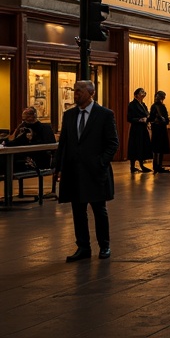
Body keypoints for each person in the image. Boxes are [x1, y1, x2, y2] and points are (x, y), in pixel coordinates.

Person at [56, 79, 118, 261]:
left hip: (96, 171)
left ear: (91, 93)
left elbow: (113, 143)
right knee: (78, 210)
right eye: (75, 91)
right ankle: (83, 247)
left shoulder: (105, 114)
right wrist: (59, 167)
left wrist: (101, 162)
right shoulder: (69, 115)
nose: (75, 94)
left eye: (79, 91)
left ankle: (104, 246)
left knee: (99, 209)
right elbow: (64, 143)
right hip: (74, 172)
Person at [4, 105, 56, 170]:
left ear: (32, 117)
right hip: (25, 155)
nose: (23, 122)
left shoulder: (45, 128)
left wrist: (32, 139)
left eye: (25, 119)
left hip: (39, 158)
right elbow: (18, 141)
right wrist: (6, 143)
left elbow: (49, 144)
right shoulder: (26, 127)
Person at [126, 88, 151, 174]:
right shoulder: (132, 105)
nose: (144, 93)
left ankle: (141, 164)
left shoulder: (143, 104)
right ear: (136, 95)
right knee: (135, 146)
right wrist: (139, 120)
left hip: (143, 128)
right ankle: (132, 166)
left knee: (142, 146)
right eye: (141, 92)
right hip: (136, 129)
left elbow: (147, 114)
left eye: (144, 91)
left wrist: (147, 119)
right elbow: (129, 118)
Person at [148, 90, 170, 174]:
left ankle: (158, 166)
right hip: (158, 129)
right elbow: (152, 118)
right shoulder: (156, 106)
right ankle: (157, 166)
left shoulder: (157, 106)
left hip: (159, 128)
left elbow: (151, 118)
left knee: (158, 148)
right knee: (158, 148)